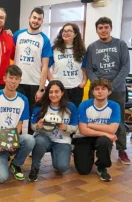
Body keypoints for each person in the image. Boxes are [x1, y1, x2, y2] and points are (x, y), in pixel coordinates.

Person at [86, 17, 130, 165]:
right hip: (97, 89)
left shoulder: (120, 44)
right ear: (97, 30)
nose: (103, 30)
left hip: (117, 90)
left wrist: (110, 87)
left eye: (106, 27)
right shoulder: (92, 47)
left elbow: (125, 67)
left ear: (111, 28)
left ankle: (122, 150)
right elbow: (90, 69)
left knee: (119, 121)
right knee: (92, 118)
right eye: (100, 28)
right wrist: (98, 86)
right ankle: (91, 148)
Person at [0, 65, 35, 183]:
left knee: (30, 139)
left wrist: (12, 141)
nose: (13, 81)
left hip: (11, 138)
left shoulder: (23, 100)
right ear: (4, 78)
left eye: (16, 79)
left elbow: (20, 125)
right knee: (2, 178)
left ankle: (15, 164)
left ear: (20, 81)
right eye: (11, 77)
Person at [28, 80, 78, 182]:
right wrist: (38, 126)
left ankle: (57, 155)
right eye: (50, 92)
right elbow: (32, 126)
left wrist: (66, 128)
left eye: (56, 92)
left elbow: (76, 127)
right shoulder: (40, 106)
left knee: (62, 167)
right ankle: (35, 168)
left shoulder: (70, 107)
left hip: (62, 140)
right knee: (39, 141)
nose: (53, 95)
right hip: (43, 138)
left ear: (62, 92)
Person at [13, 7, 52, 134]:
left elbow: (45, 66)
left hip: (34, 83)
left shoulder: (44, 40)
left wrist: (41, 89)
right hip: (17, 82)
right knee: (16, 115)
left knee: (33, 117)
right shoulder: (18, 35)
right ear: (29, 18)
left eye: (39, 19)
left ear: (42, 21)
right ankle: (15, 143)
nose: (36, 21)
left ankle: (31, 144)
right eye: (34, 18)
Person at [73, 78, 120, 181]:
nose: (100, 91)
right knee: (83, 170)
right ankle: (78, 150)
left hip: (101, 138)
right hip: (84, 137)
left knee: (105, 141)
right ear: (93, 92)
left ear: (109, 92)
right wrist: (106, 133)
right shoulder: (84, 105)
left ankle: (102, 167)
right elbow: (83, 130)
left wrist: (90, 125)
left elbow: (112, 129)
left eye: (103, 89)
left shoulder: (114, 106)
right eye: (97, 89)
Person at [48, 23, 87, 107]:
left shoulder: (81, 50)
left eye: (69, 31)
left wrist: (84, 81)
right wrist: (51, 80)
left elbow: (84, 67)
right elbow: (46, 66)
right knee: (60, 113)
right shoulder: (55, 49)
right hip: (59, 88)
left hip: (76, 88)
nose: (66, 33)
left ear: (75, 34)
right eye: (64, 31)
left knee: (73, 114)